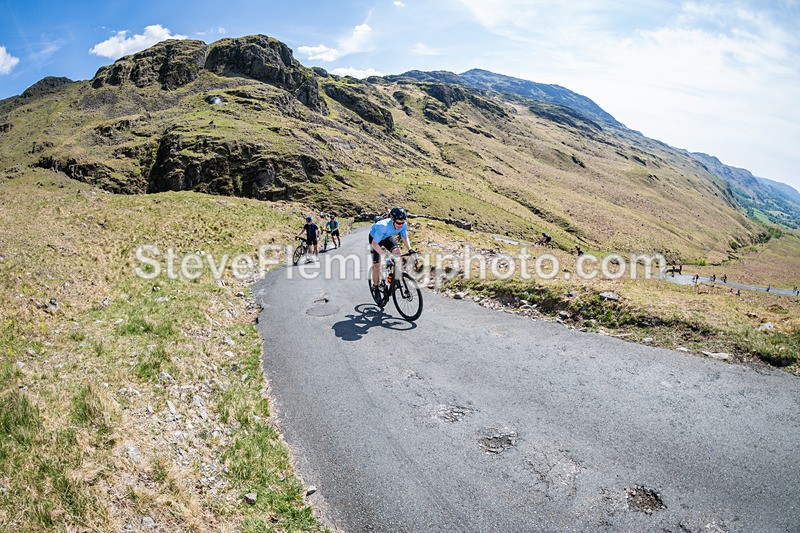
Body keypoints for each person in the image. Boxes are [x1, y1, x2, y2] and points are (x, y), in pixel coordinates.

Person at [369, 207, 415, 292]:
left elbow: (404, 237)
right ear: (393, 220)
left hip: (386, 237)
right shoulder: (383, 226)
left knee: (397, 253)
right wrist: (384, 255)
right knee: (377, 267)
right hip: (375, 240)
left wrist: (410, 249)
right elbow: (374, 244)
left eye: (402, 223)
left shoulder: (403, 225)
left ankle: (394, 278)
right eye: (398, 223)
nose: (401, 225)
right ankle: (375, 287)